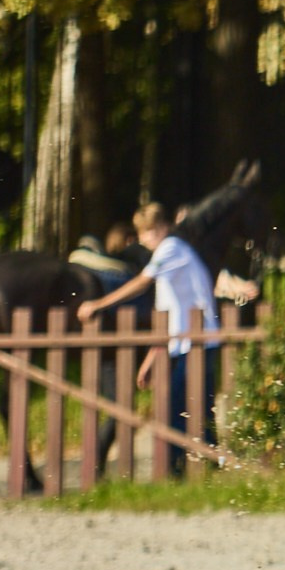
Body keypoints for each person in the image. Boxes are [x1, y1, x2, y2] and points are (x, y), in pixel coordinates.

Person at [78, 202, 219, 472]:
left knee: (177, 409)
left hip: (197, 342)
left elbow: (141, 282)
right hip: (189, 341)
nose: (144, 239)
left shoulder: (171, 249)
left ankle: (174, 471)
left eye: (149, 231)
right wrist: (152, 357)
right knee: (198, 408)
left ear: (164, 227)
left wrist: (98, 304)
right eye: (142, 233)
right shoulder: (172, 258)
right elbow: (168, 317)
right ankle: (213, 468)